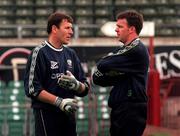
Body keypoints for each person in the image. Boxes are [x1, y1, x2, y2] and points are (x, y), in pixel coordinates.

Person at [24, 12, 89, 136]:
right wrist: (59, 102)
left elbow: (85, 88)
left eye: (71, 28)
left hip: (68, 116)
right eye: (67, 28)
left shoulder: (71, 54)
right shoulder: (39, 53)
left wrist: (77, 85)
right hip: (47, 115)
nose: (71, 32)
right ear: (54, 29)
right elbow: (33, 89)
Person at [92, 10, 149, 136]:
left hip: (131, 109)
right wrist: (116, 72)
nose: (116, 30)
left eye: (120, 26)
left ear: (131, 29)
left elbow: (102, 64)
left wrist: (111, 71)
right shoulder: (122, 51)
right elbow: (97, 78)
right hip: (121, 108)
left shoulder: (137, 49)